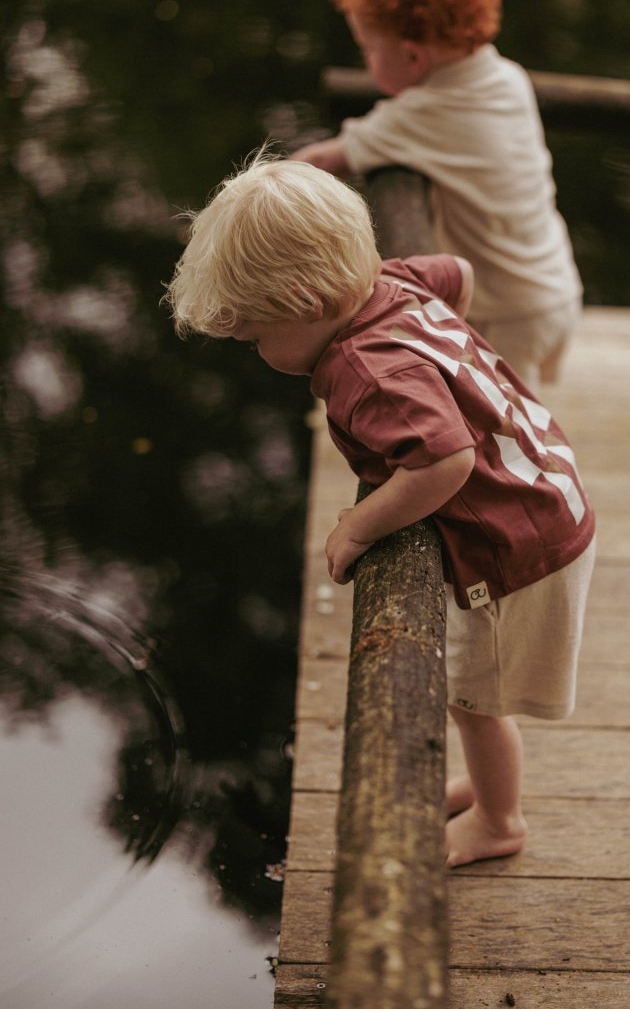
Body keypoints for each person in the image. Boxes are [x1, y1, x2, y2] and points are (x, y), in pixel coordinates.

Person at [164, 152, 596, 868]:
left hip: (517, 539)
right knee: (476, 697)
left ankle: (499, 819)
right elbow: (458, 272)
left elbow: (446, 460)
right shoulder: (389, 279)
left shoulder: (369, 370)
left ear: (308, 305)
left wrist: (362, 523)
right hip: (549, 481)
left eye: (256, 338)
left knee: (475, 700)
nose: (257, 352)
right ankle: (490, 789)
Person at [292, 0, 584, 391]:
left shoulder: (426, 113)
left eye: (368, 48)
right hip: (553, 289)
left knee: (504, 437)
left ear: (412, 56)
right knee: (523, 418)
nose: (366, 61)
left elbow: (326, 160)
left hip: (504, 314)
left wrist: (255, 192)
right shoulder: (506, 78)